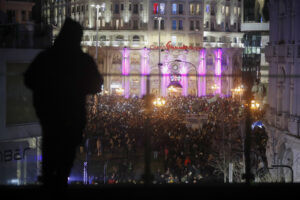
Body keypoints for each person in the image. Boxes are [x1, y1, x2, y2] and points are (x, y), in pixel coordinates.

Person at [24, 18, 103, 192]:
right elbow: (97, 84)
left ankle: (49, 186)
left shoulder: (46, 56)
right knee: (66, 159)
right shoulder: (82, 60)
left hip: (49, 117)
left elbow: (28, 79)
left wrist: (45, 89)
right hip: (72, 118)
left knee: (50, 157)